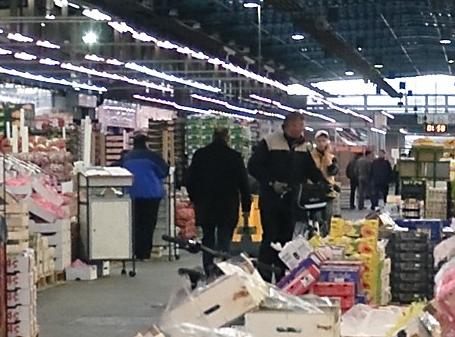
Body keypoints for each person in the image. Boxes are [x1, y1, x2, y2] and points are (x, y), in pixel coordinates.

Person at [252, 114, 333, 247]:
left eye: (303, 125)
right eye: (299, 126)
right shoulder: (269, 142)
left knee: (287, 239)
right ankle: (266, 267)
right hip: (271, 201)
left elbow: (310, 169)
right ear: (290, 125)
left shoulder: (303, 146)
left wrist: (324, 183)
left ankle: (283, 267)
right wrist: (272, 182)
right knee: (270, 238)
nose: (302, 129)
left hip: (293, 202)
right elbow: (254, 166)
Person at [181, 129, 251, 268]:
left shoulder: (200, 155)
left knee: (208, 238)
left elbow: (188, 180)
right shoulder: (234, 156)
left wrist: (195, 198)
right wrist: (246, 207)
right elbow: (244, 183)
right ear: (227, 138)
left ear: (212, 137)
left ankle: (209, 267)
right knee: (225, 238)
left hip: (206, 204)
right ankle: (223, 268)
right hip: (228, 204)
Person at [120, 133, 169, 266]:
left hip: (132, 194)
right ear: (146, 143)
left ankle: (135, 251)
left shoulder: (127, 157)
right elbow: (164, 171)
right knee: (148, 224)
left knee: (135, 223)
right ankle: (144, 253)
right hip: (151, 194)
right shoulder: (153, 157)